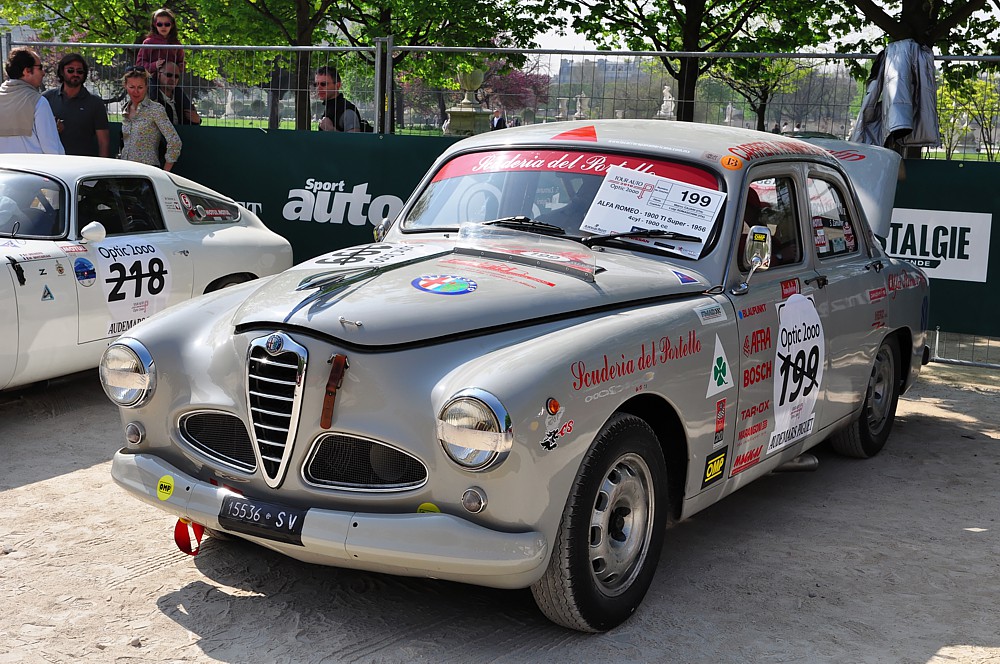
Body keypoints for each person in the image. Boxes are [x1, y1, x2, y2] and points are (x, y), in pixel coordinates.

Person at [42, 54, 111, 157]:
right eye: (70, 70)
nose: (75, 74)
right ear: (62, 72)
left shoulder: (95, 103)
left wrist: (103, 165)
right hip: (53, 160)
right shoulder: (46, 99)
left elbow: (103, 142)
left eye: (80, 71)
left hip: (84, 161)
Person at [0, 47, 64, 154]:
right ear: (27, 71)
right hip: (33, 164)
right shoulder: (38, 102)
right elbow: (51, 149)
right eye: (40, 68)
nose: (43, 73)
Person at [119, 67, 181, 171]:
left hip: (147, 170)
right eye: (132, 87)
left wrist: (165, 173)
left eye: (140, 87)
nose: (136, 91)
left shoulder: (155, 109)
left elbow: (175, 142)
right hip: (126, 169)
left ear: (146, 86)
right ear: (125, 86)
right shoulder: (125, 109)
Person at [135, 8, 185, 79]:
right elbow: (140, 64)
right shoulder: (148, 42)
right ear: (155, 25)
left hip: (171, 80)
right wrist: (154, 65)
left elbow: (182, 63)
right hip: (152, 79)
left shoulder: (176, 44)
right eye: (159, 24)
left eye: (167, 24)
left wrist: (172, 67)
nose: (163, 27)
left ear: (172, 25)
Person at [151, 60, 200, 125]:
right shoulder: (151, 99)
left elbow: (192, 124)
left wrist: (197, 121)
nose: (173, 79)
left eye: (176, 76)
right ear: (159, 75)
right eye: (169, 75)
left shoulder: (182, 99)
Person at [315, 66, 360, 132]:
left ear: (337, 85)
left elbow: (355, 138)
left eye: (323, 84)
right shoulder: (329, 106)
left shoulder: (347, 110)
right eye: (316, 84)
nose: (318, 88)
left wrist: (331, 129)